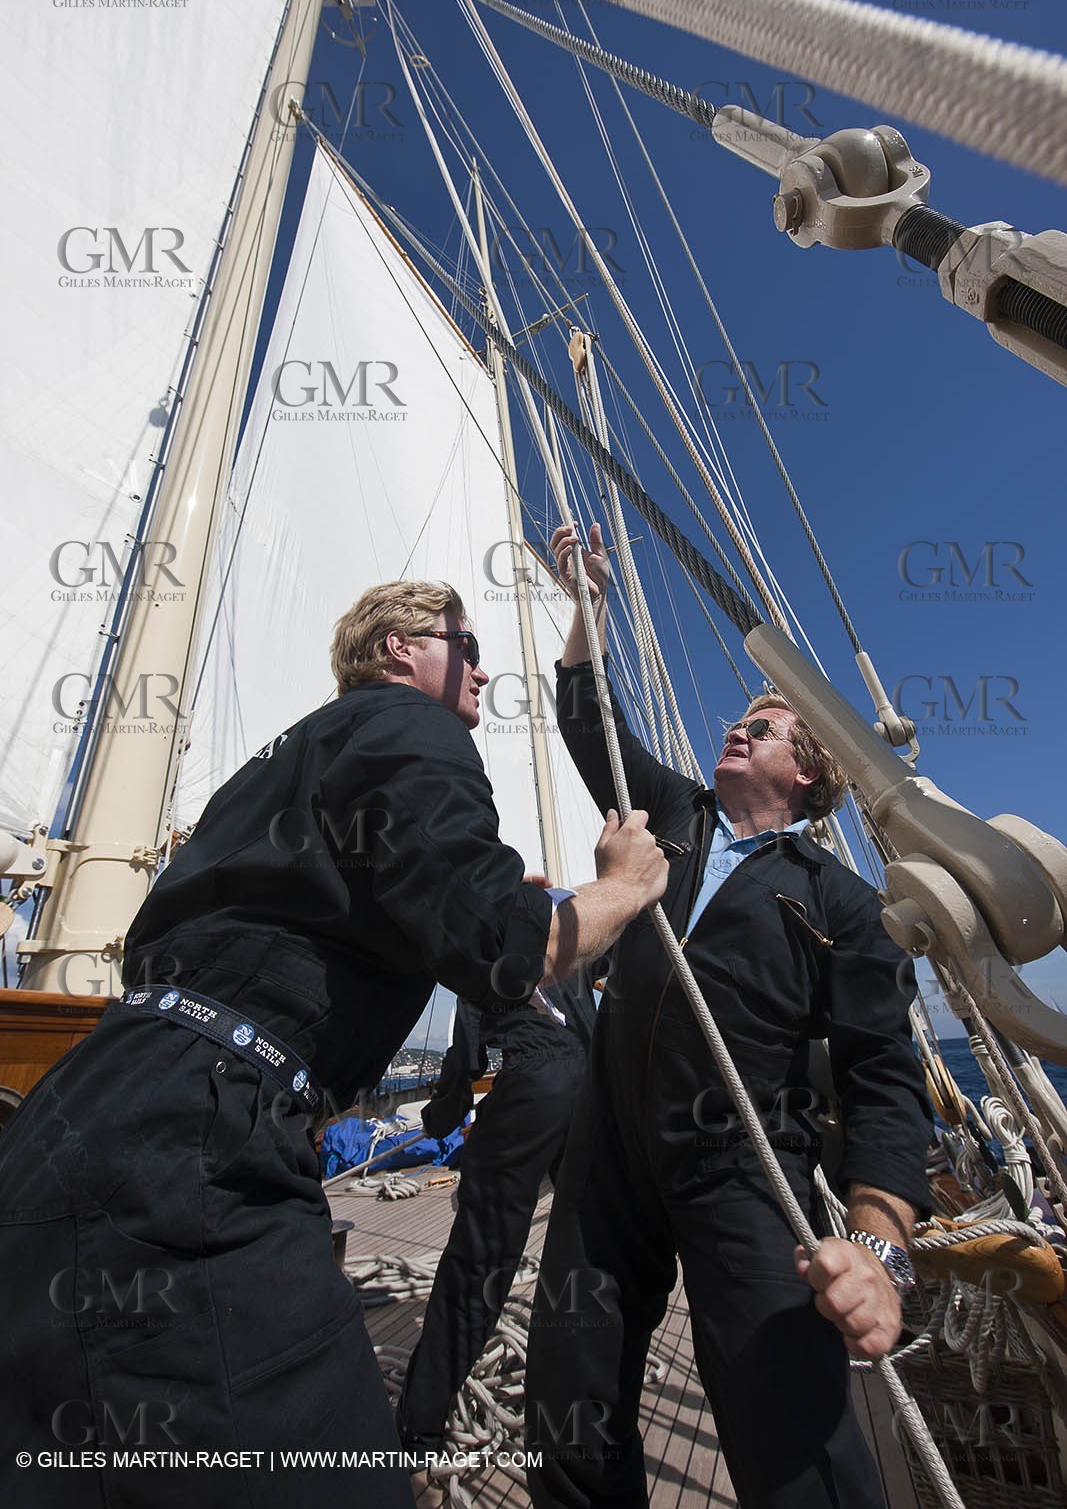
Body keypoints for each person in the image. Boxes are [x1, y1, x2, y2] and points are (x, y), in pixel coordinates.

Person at [0, 579, 667, 1509]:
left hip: (91, 1106)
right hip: (196, 1142)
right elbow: (497, 943)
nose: (482, 668)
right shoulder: (412, 727)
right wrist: (626, 887)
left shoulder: (283, 760)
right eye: (465, 646)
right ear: (400, 650)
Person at [524, 527, 932, 1509]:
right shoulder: (671, 812)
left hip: (744, 1165)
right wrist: (590, 601)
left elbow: (884, 1077)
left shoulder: (841, 900)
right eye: (743, 715)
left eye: (768, 725)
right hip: (608, 1148)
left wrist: (878, 1251)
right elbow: (588, 720)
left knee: (791, 1434)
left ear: (806, 775)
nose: (741, 726)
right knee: (567, 1411)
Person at [396, 968, 595, 1456]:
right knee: (587, 1246)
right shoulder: (571, 945)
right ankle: (579, 1395)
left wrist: (439, 1117)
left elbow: (465, 1057)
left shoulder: (486, 944)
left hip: (531, 1087)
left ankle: (418, 1428)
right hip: (586, 1088)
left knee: (477, 1263)